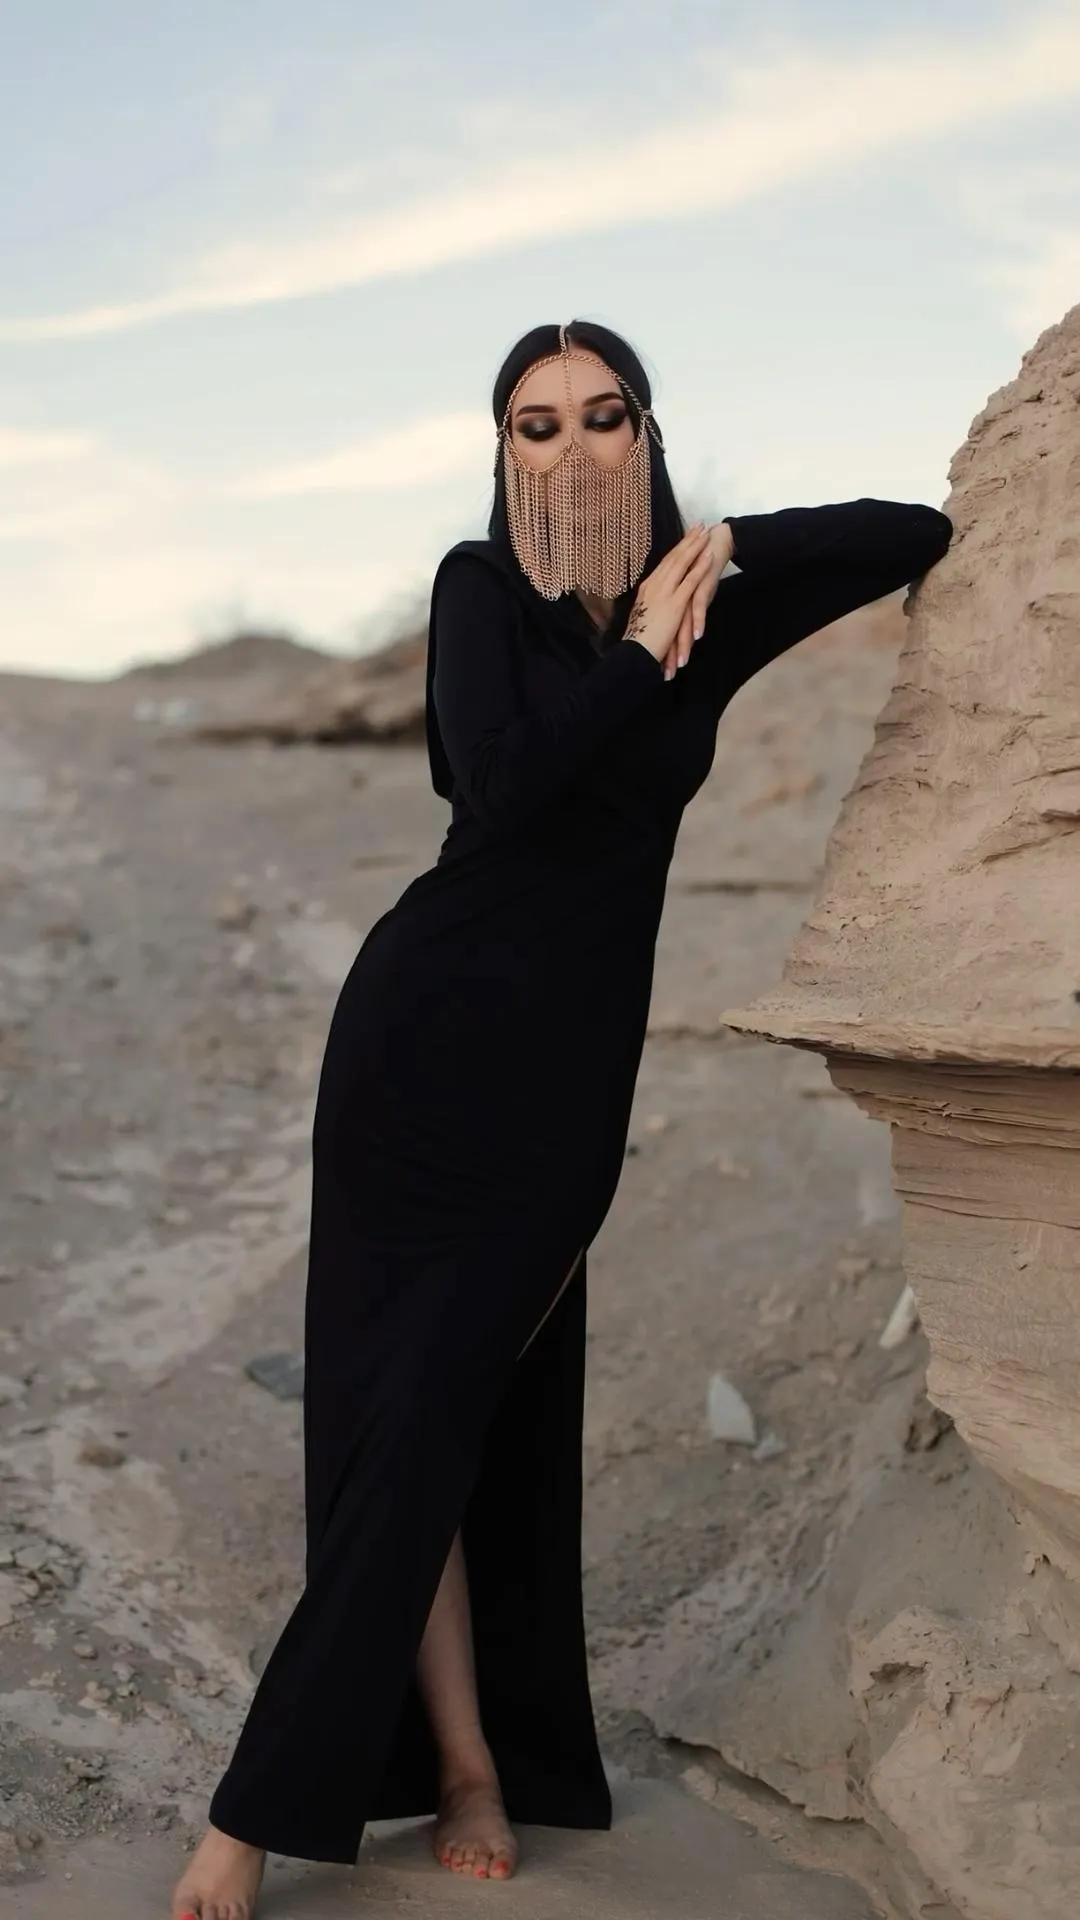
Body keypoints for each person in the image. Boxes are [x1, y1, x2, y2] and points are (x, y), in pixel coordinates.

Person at [171, 319, 953, 1918]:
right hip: (414, 1049)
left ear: (647, 431)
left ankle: (432, 1766)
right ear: (503, 453)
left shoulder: (704, 604)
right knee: (405, 1432)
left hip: (557, 1098)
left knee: (465, 1421)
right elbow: (503, 790)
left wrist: (719, 550)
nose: (573, 450)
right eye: (537, 427)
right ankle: (311, 1803)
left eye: (607, 418)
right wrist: (633, 659)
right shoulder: (477, 593)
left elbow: (914, 536)